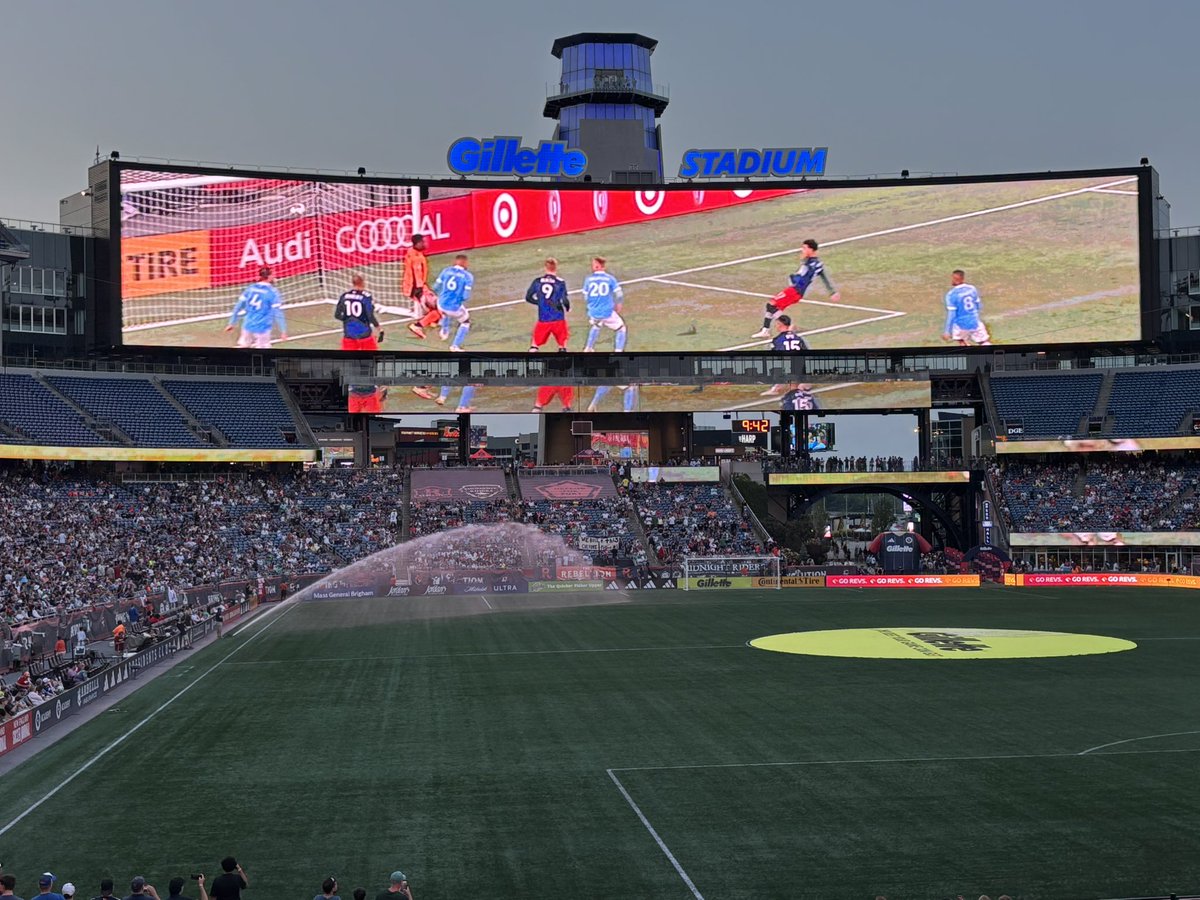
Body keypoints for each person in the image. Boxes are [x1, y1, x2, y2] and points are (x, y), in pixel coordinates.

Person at [752, 239, 840, 338]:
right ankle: (766, 330)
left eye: (804, 248)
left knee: (771, 304)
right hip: (797, 292)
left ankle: (786, 327)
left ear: (811, 249)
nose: (802, 250)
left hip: (795, 291)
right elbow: (823, 276)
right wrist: (832, 291)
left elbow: (803, 277)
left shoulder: (810, 264)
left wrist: (795, 277)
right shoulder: (815, 263)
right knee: (774, 307)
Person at [410, 254, 473, 351]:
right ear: (465, 263)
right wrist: (458, 299)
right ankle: (454, 346)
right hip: (454, 307)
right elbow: (465, 296)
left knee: (444, 312)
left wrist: (444, 295)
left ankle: (444, 330)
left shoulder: (446, 271)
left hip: (441, 304)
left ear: (455, 262)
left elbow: (436, 288)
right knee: (465, 322)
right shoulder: (468, 276)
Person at [225, 267, 287, 349]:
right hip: (263, 326)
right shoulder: (272, 292)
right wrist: (283, 330)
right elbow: (277, 313)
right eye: (273, 274)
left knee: (244, 346)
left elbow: (238, 306)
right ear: (269, 276)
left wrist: (232, 322)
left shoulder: (250, 288)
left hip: (248, 324)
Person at [582, 256, 627, 352]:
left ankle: (588, 348)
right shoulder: (610, 278)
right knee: (621, 328)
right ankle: (618, 351)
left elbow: (586, 297)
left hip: (593, 312)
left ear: (597, 266)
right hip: (607, 312)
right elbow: (619, 294)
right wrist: (618, 304)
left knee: (597, 324)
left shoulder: (588, 279)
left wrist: (592, 306)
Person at [525, 258, 570, 352]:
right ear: (556, 268)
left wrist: (540, 303)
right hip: (558, 317)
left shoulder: (537, 281)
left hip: (543, 317)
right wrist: (567, 307)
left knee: (534, 345)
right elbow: (565, 300)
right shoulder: (560, 282)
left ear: (545, 268)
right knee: (562, 344)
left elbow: (528, 297)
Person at [942, 269, 990, 345]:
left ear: (954, 279)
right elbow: (978, 305)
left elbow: (952, 315)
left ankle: (968, 352)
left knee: (961, 340)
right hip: (974, 321)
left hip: (961, 324)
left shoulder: (951, 294)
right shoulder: (972, 289)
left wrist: (947, 331)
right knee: (983, 341)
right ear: (963, 278)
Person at [335, 275, 382, 351]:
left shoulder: (344, 296)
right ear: (362, 283)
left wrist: (348, 319)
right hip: (364, 334)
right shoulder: (366, 297)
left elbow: (337, 315)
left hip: (349, 334)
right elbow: (370, 315)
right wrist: (378, 328)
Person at [401, 234, 432, 319]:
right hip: (416, 285)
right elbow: (414, 273)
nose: (424, 244)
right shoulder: (415, 257)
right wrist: (418, 288)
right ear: (417, 243)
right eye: (423, 242)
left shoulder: (415, 253)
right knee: (431, 303)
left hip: (418, 284)